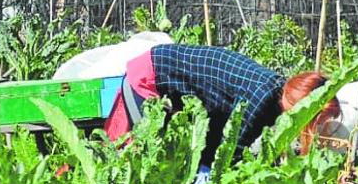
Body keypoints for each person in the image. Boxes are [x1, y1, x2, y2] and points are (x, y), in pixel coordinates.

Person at [104, 44, 340, 172]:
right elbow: (229, 156)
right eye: (321, 122)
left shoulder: (276, 93)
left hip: (165, 76)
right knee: (150, 165)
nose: (321, 130)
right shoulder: (263, 99)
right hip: (154, 79)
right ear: (307, 109)